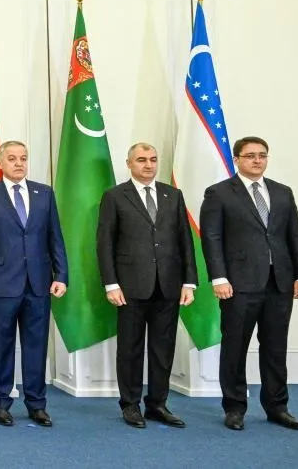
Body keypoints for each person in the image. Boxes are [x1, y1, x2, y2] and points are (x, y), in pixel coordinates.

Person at [200, 136, 298, 431]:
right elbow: (211, 238)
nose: (257, 160)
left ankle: (277, 407)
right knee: (235, 347)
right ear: (236, 159)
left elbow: (295, 235)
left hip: (280, 283)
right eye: (250, 155)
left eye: (262, 155)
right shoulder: (219, 193)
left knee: (275, 348)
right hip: (238, 284)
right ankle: (235, 408)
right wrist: (219, 277)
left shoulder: (282, 192)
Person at [96, 143, 195, 428]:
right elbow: (105, 243)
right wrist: (111, 284)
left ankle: (157, 405)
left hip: (168, 285)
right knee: (130, 349)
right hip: (130, 287)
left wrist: (189, 281)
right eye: (141, 160)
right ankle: (130, 405)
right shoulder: (115, 196)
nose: (149, 164)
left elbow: (185, 240)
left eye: (152, 159)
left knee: (163, 349)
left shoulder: (172, 195)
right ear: (129, 163)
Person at [0, 140, 67, 427]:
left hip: (39, 284)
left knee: (36, 346)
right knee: (2, 346)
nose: (19, 163)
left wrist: (61, 275)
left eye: (23, 158)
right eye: (12, 158)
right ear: (0, 163)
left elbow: (55, 238)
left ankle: (36, 404)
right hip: (1, 285)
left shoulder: (44, 193)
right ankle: (1, 403)